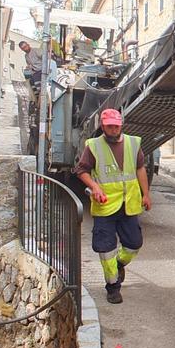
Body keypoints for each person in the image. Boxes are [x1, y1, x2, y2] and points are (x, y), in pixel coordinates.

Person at [75, 109, 152, 304]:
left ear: (121, 125)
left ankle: (119, 264)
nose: (113, 129)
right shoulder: (93, 146)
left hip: (129, 204)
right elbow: (81, 170)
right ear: (103, 126)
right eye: (109, 125)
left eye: (116, 125)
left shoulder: (134, 143)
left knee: (134, 244)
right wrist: (95, 187)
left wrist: (146, 194)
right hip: (105, 206)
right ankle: (112, 287)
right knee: (106, 248)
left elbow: (140, 168)